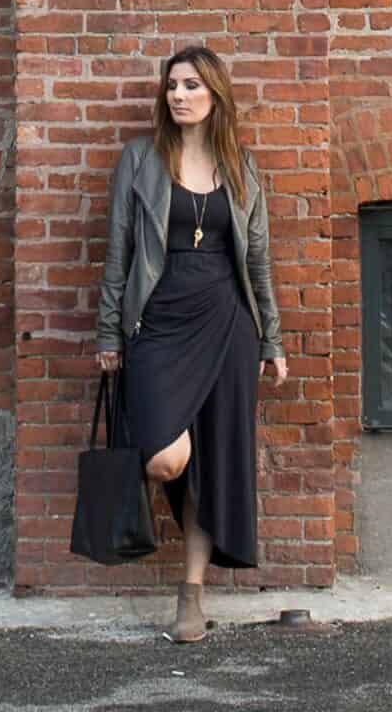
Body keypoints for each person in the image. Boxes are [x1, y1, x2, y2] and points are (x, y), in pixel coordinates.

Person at [95, 44, 288, 643]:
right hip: (157, 324)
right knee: (166, 459)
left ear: (215, 96)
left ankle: (191, 595)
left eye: (191, 86)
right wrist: (109, 330)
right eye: (172, 86)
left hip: (227, 324)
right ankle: (158, 550)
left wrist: (272, 340)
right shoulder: (140, 161)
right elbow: (119, 253)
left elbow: (257, 261)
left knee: (213, 462)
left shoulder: (242, 167)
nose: (178, 96)